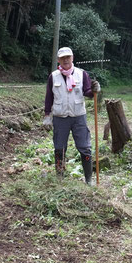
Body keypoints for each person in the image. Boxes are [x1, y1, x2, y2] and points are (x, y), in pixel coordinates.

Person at [43, 47, 100, 184]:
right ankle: (60, 178)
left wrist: (94, 90)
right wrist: (47, 115)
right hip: (60, 117)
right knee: (59, 148)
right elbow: (49, 97)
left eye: (68, 57)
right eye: (63, 58)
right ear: (58, 60)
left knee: (85, 148)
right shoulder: (53, 76)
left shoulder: (82, 74)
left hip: (78, 116)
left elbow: (87, 92)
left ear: (72, 58)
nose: (66, 60)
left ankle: (88, 179)